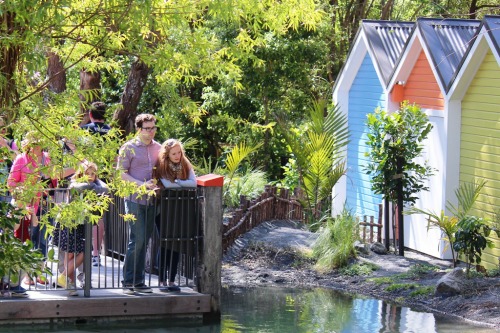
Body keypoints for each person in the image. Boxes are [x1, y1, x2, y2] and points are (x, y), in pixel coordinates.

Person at [117, 113, 161, 294]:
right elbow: (121, 174)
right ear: (138, 129)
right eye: (147, 128)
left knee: (146, 240)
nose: (151, 132)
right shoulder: (128, 147)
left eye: (153, 128)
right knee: (138, 239)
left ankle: (139, 281)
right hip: (134, 199)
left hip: (152, 200)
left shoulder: (159, 147)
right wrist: (141, 185)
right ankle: (128, 281)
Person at [52, 161, 108, 296]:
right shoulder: (74, 184)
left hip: (82, 224)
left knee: (83, 251)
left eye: (92, 174)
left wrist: (94, 184)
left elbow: (105, 188)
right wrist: (93, 186)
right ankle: (70, 285)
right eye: (86, 173)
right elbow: (79, 187)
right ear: (80, 174)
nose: (89, 176)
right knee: (70, 253)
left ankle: (63, 277)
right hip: (69, 222)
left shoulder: (96, 185)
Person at [153, 139, 196, 292]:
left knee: (176, 244)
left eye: (179, 152)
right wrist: (181, 183)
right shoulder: (161, 166)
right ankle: (162, 280)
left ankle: (172, 280)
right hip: (163, 211)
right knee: (165, 243)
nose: (177, 156)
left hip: (179, 210)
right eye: (174, 153)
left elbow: (194, 183)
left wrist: (177, 181)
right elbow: (167, 184)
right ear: (167, 154)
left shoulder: (185, 164)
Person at [81, 101, 110, 267]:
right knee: (98, 217)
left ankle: (83, 250)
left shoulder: (84, 130)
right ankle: (96, 253)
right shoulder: (111, 131)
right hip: (104, 179)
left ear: (90, 114)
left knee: (84, 215)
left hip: (87, 176)